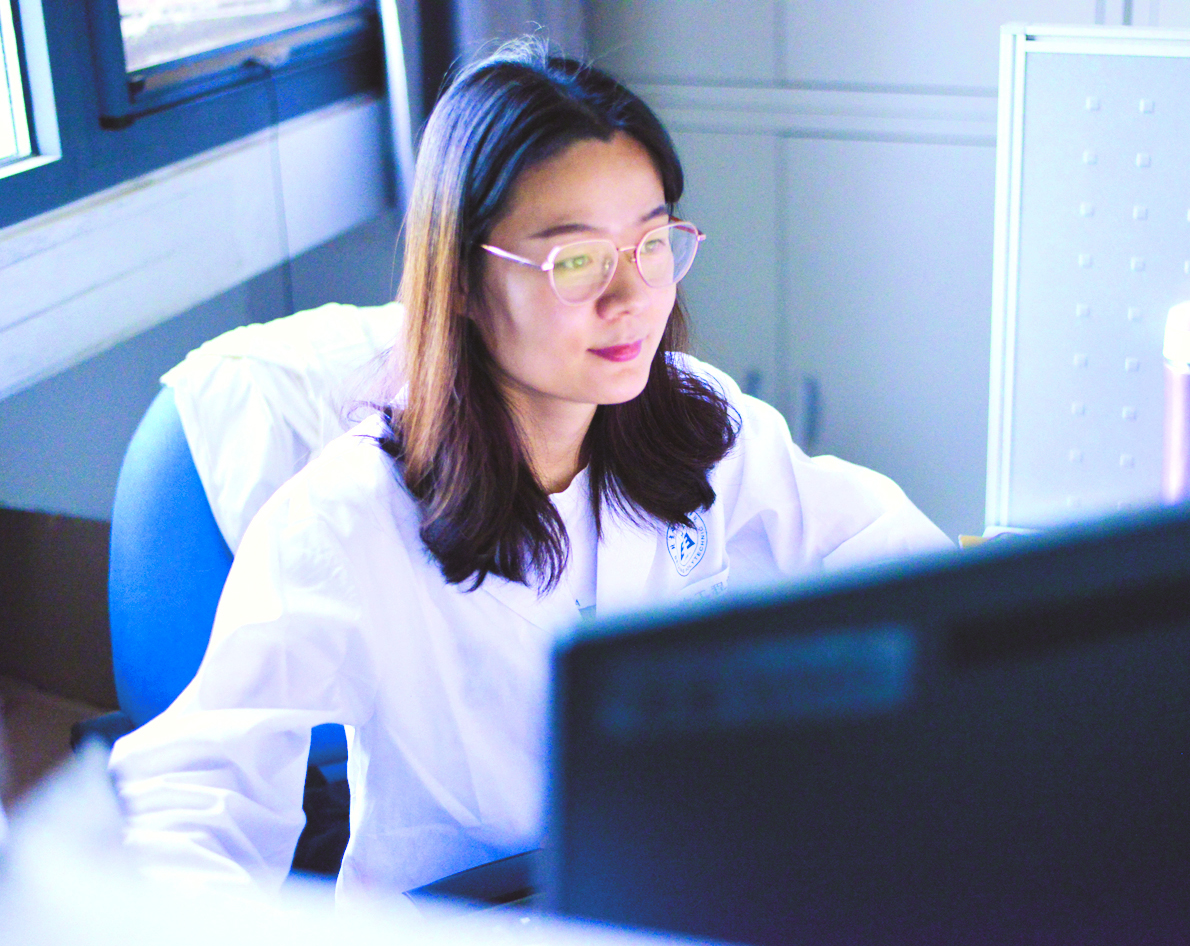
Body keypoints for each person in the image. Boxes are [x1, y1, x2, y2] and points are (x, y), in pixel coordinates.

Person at [109, 42, 951, 904]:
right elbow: (196, 795)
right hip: (474, 914)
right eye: (576, 260)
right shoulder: (346, 517)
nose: (631, 298)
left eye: (652, 242)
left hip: (673, 890)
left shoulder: (700, 422)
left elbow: (895, 562)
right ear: (461, 280)